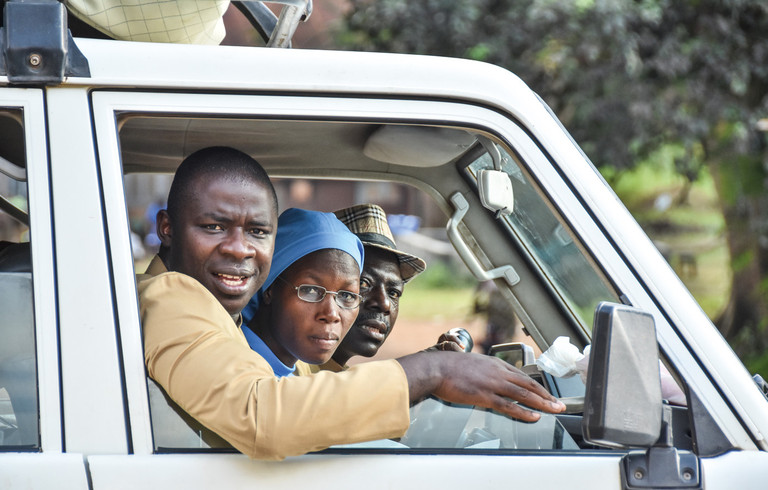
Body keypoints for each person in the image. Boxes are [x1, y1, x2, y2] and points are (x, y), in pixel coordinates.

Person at [139, 146, 565, 461]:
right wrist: (433, 371)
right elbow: (264, 415)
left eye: (257, 232)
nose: (239, 249)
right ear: (168, 229)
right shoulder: (172, 294)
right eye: (213, 226)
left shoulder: (216, 315)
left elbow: (306, 390)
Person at [313, 204, 463, 373]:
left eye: (393, 292)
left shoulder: (328, 377)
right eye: (363, 284)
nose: (384, 304)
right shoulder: (295, 375)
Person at [242, 208, 365, 376]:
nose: (331, 314)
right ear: (269, 288)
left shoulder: (294, 372)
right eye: (311, 290)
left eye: (346, 296)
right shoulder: (236, 370)